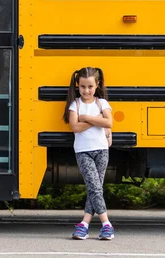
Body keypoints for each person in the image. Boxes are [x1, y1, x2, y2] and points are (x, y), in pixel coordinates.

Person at [63, 67, 114, 240]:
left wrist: (86, 118)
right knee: (94, 187)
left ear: (97, 85)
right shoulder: (75, 105)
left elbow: (109, 122)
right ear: (78, 86)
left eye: (90, 87)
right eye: (83, 87)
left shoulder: (102, 103)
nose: (86, 90)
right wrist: (97, 120)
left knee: (95, 189)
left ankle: (84, 225)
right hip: (83, 151)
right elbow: (75, 127)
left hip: (102, 150)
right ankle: (107, 225)